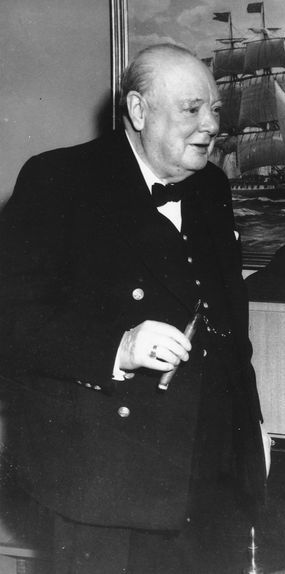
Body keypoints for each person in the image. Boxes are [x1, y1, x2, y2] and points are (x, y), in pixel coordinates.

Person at [0, 43, 270, 573]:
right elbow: (12, 322)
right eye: (191, 109)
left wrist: (250, 426)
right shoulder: (59, 180)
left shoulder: (212, 185)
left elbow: (231, 326)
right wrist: (117, 347)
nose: (210, 124)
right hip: (108, 480)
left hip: (212, 470)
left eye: (214, 109)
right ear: (139, 110)